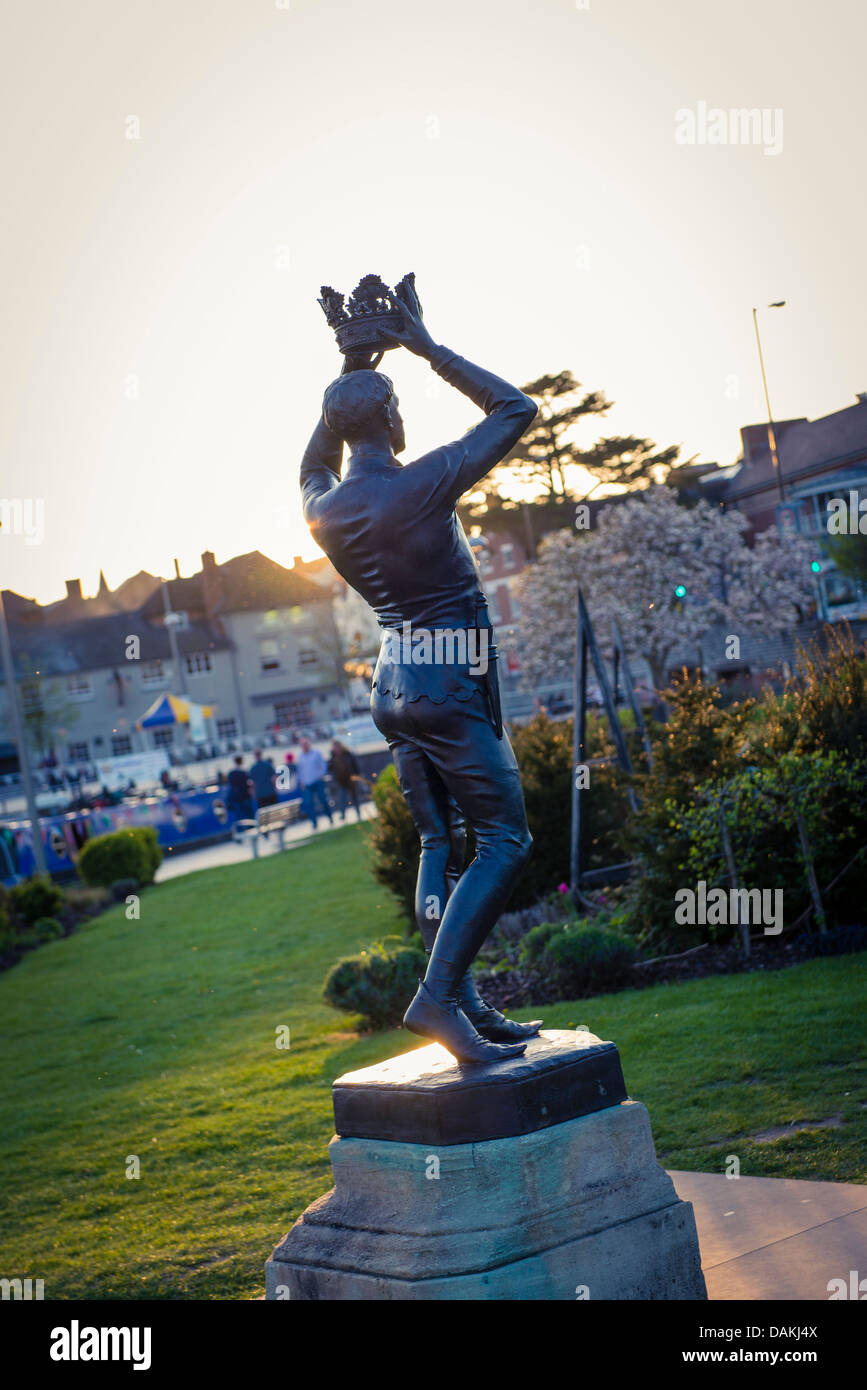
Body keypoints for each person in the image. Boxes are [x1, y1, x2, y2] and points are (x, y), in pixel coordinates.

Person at [300, 281, 541, 1063]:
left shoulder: (324, 507)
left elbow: (313, 457)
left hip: (395, 684)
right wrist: (426, 349)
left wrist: (348, 373)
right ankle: (438, 998)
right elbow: (515, 410)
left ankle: (461, 1000)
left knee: (442, 840)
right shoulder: (422, 480)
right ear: (394, 419)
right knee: (504, 838)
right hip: (445, 681)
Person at [296, 737, 333, 828]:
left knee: (323, 800)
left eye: (306, 744)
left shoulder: (316, 753)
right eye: (303, 744)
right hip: (307, 784)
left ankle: (330, 817)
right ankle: (314, 823)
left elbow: (323, 766)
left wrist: (320, 775)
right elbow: (300, 771)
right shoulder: (300, 757)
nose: (304, 746)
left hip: (318, 781)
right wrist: (301, 782)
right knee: (309, 803)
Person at [328, 739, 362, 821]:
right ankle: (343, 815)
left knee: (354, 797)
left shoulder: (347, 754)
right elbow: (330, 768)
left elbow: (354, 764)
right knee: (342, 798)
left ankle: (358, 813)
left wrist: (357, 774)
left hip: (350, 779)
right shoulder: (333, 757)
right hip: (341, 781)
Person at [226, 755, 254, 820]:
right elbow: (249, 784)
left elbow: (230, 785)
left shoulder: (231, 773)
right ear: (241, 761)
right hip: (244, 797)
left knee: (239, 818)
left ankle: (242, 829)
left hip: (235, 798)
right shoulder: (244, 773)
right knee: (249, 816)